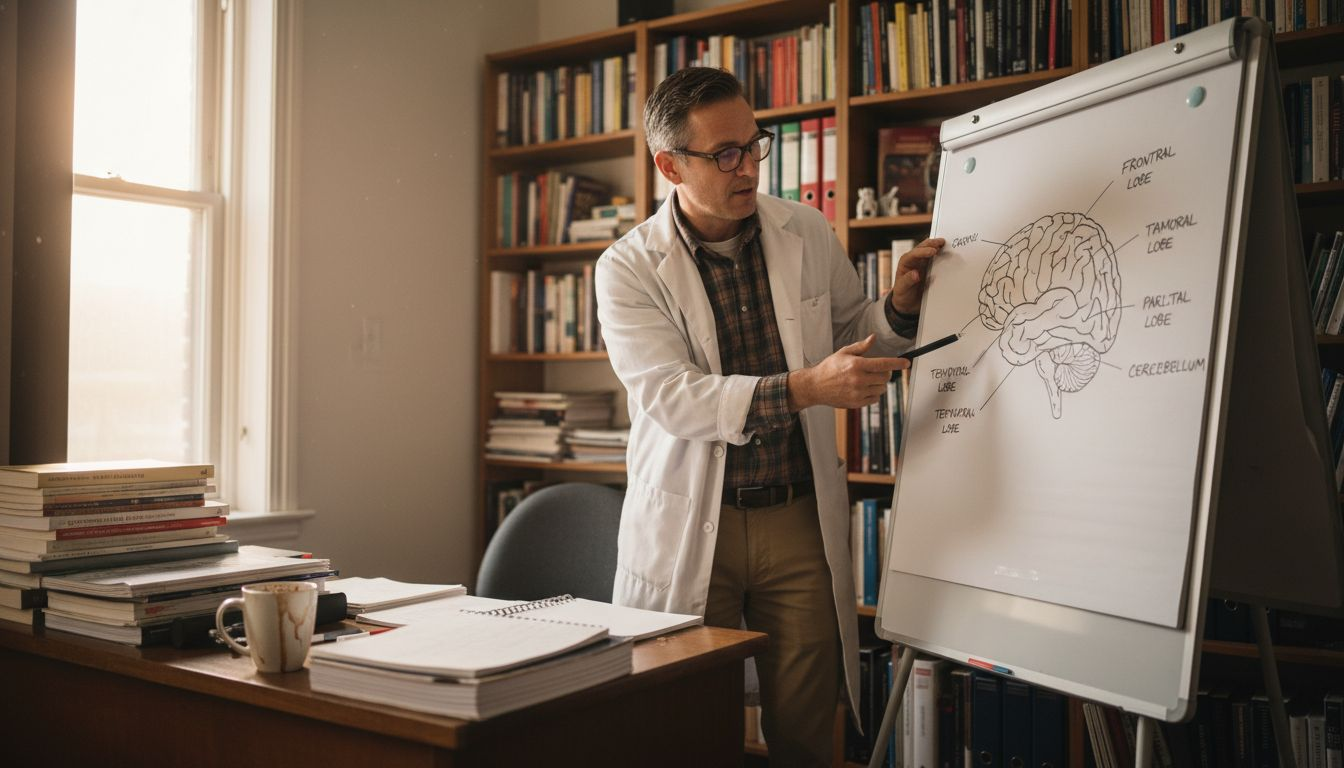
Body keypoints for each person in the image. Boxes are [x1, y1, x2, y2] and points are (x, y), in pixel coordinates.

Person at [595, 66, 945, 766]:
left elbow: (855, 325)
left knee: (810, 726)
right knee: (687, 725)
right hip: (695, 521)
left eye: (754, 145)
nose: (748, 166)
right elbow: (674, 395)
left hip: (795, 516)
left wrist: (901, 304)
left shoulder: (803, 230)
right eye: (724, 153)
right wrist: (808, 387)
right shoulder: (627, 268)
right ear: (670, 165)